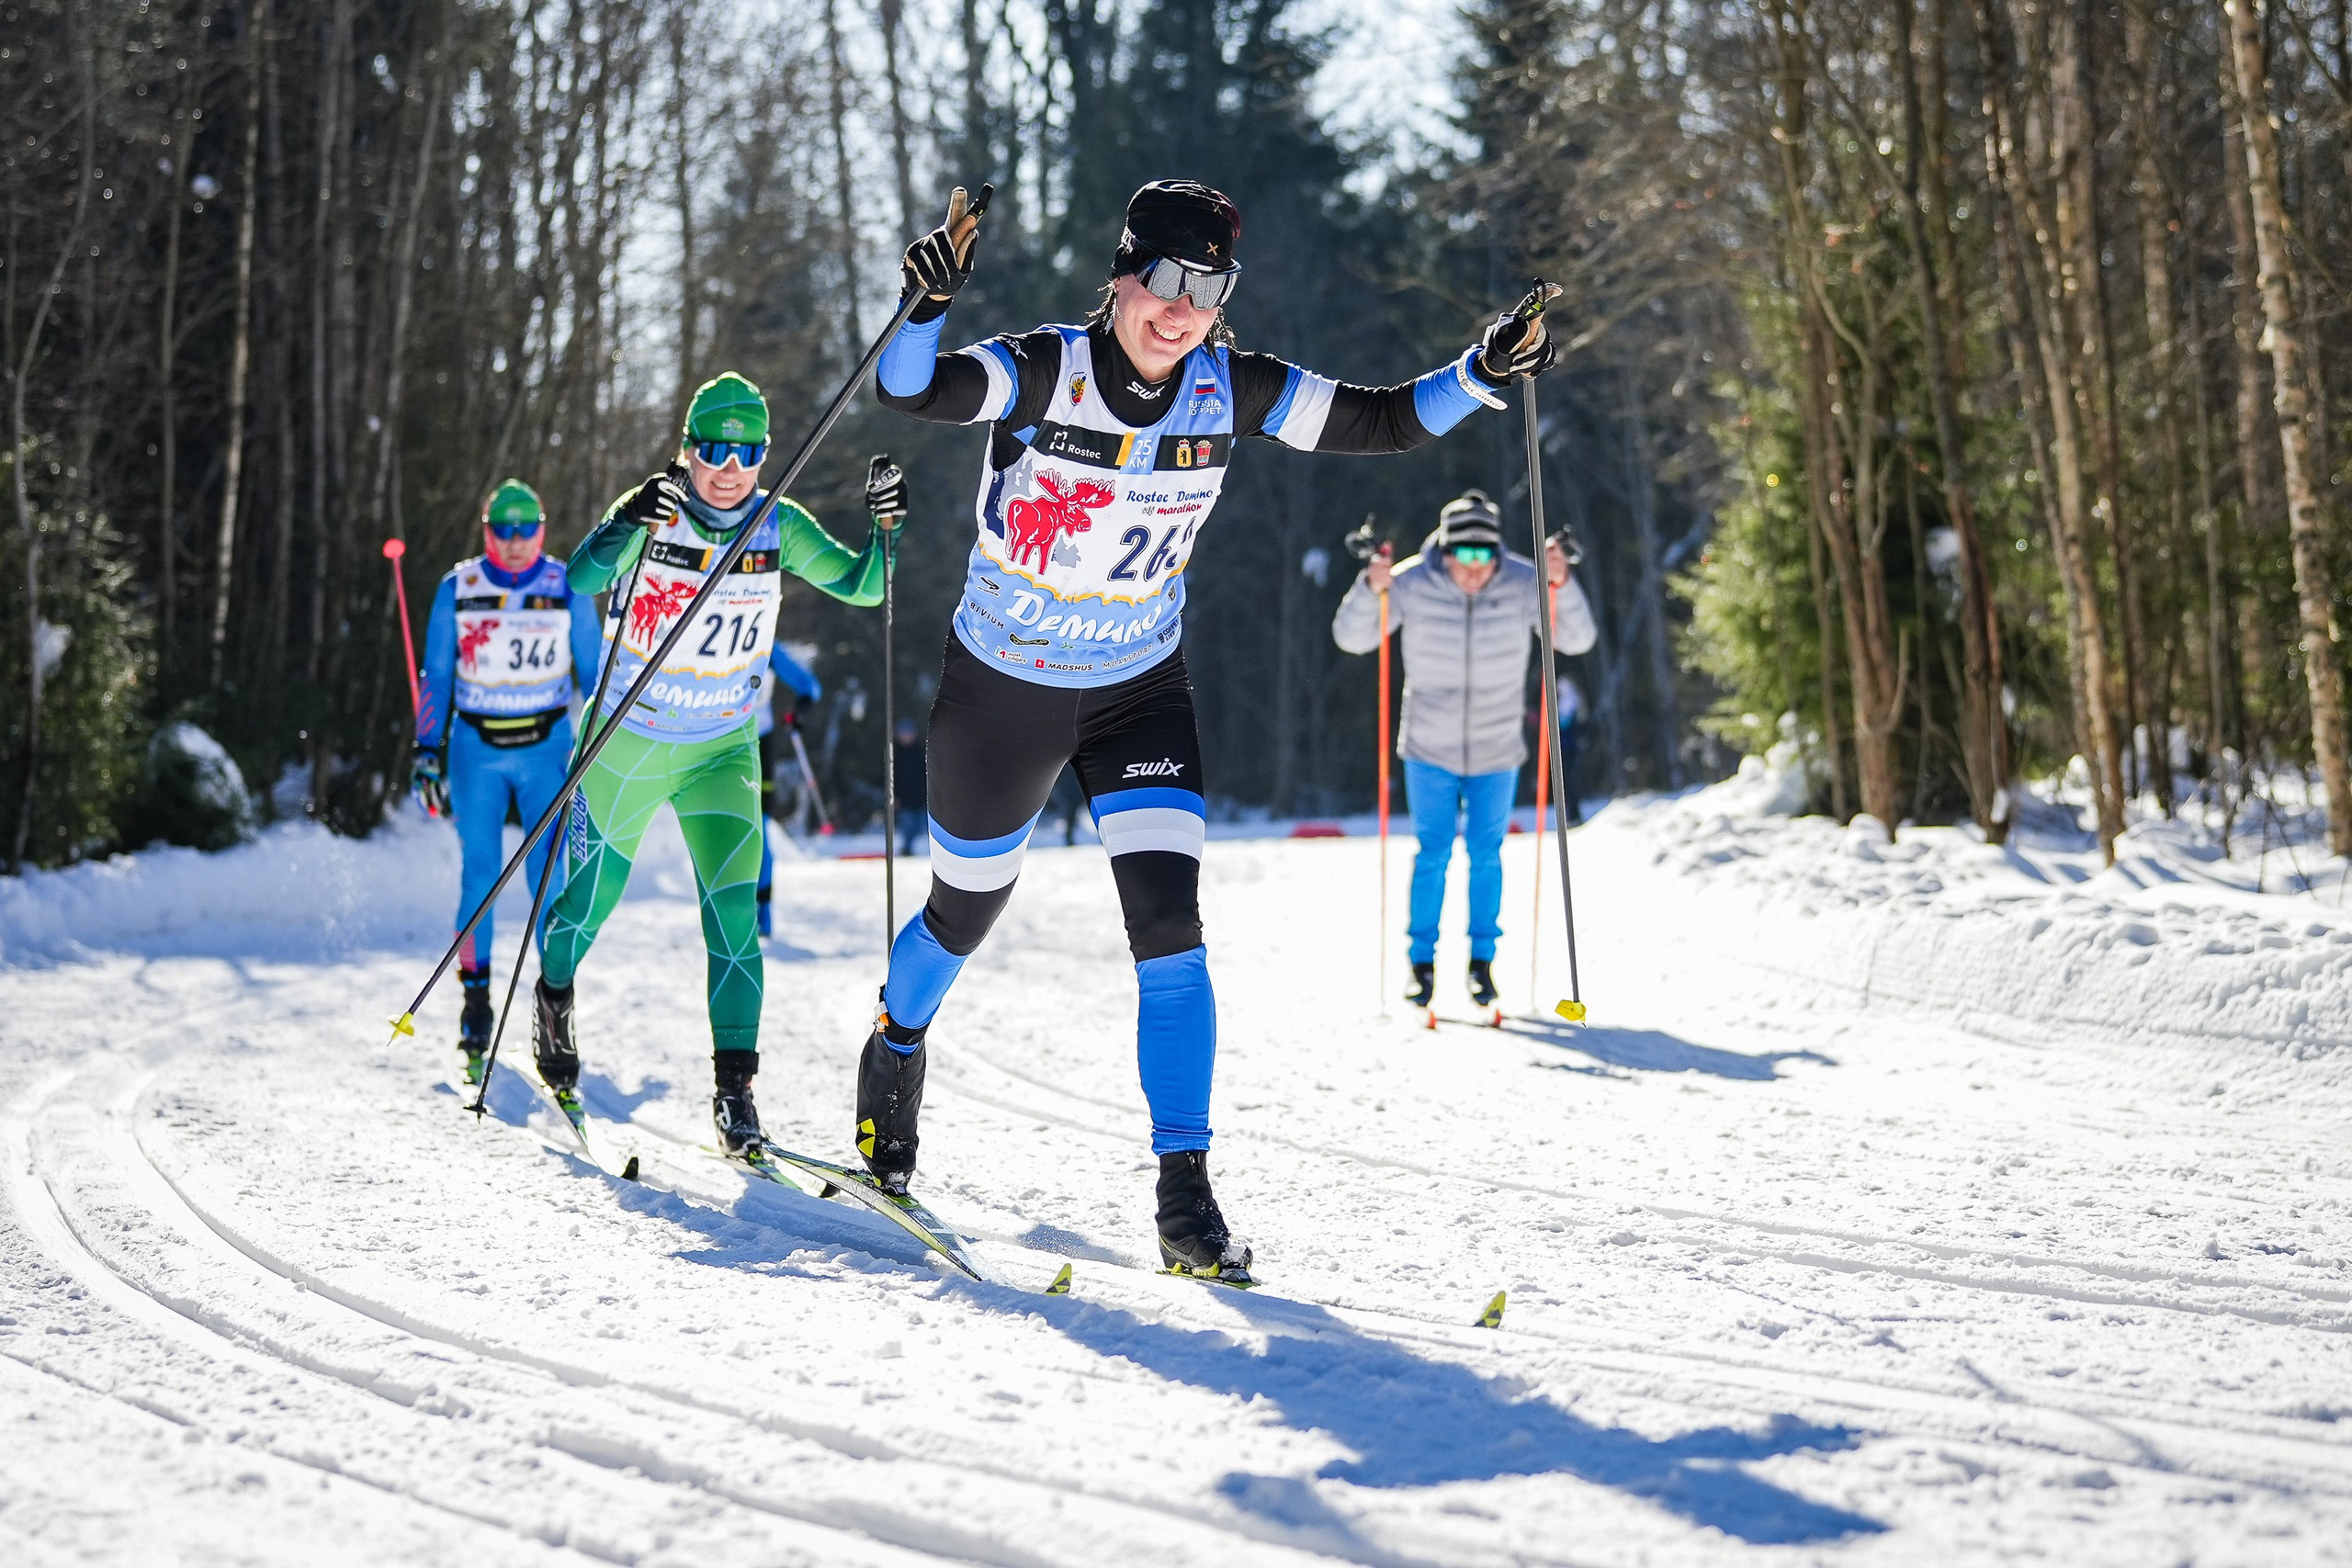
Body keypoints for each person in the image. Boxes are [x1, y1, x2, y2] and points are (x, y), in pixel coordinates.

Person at [864, 178, 1558, 1280]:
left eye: (1210, 288)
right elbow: (916, 391)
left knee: (1169, 934)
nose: (1182, 311)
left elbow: (1377, 419)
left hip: (1140, 686)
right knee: (963, 912)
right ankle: (896, 1048)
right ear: (1123, 275)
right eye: (1167, 281)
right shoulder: (1047, 367)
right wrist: (922, 307)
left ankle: (1184, 1195)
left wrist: (1478, 373)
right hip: (1005, 686)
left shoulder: (1229, 388)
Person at [531, 372, 905, 1151]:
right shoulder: (652, 511)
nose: (730, 466)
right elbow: (576, 581)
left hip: (722, 750)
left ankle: (735, 1090)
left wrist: (887, 531)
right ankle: (555, 993)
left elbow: (866, 587)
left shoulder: (778, 522)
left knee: (736, 920)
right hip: (625, 746)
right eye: (713, 448)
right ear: (687, 449)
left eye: (748, 450)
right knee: (588, 907)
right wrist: (623, 522)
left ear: (766, 454)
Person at [1332, 490, 1595, 1011]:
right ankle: (1421, 964)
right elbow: (1351, 637)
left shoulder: (1524, 582)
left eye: (1486, 556)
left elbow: (1577, 639)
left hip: (1497, 747)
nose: (1475, 569)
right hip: (1429, 745)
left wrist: (1561, 583)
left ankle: (1482, 963)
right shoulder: (1410, 582)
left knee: (1486, 854)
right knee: (1432, 853)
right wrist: (1371, 587)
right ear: (1445, 551)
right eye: (1465, 556)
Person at [410, 479, 604, 1084]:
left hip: (545, 746)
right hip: (477, 747)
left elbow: (595, 671)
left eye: (528, 529)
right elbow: (436, 674)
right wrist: (426, 750)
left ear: (542, 529)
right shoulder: (459, 588)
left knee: (549, 877)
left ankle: (552, 1009)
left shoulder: (567, 584)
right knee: (481, 874)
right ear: (487, 530)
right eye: (504, 530)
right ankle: (475, 1006)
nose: (516, 543)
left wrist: (603, 743)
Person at [755, 641, 824, 937]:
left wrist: (800, 709)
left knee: (758, 826)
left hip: (757, 743)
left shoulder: (764, 642)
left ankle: (763, 910)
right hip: (708, 741)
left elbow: (809, 685)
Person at [891, 717, 927, 853]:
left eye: (908, 733)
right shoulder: (895, 755)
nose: (906, 736)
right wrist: (894, 796)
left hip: (922, 799)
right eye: (903, 733)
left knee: (923, 827)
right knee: (908, 827)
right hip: (904, 800)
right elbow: (893, 778)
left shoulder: (921, 753)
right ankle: (907, 849)